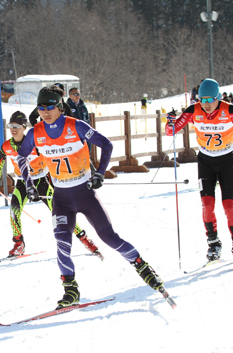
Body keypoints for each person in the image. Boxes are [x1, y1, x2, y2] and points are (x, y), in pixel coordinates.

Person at [16, 87, 166, 309]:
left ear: (59, 107)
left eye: (50, 107)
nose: (45, 112)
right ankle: (71, 290)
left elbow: (106, 144)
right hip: (61, 197)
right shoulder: (35, 133)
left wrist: (100, 172)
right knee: (62, 242)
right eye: (41, 108)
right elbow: (21, 156)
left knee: (109, 238)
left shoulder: (75, 125)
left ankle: (142, 266)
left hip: (84, 193)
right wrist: (28, 184)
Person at [166, 79, 233, 269]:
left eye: (210, 99)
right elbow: (171, 132)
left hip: (226, 161)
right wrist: (170, 122)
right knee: (207, 205)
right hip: (205, 162)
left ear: (218, 97)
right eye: (202, 99)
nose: (206, 103)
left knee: (229, 206)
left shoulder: (231, 110)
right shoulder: (194, 110)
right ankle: (213, 243)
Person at [0, 111, 103, 259]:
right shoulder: (7, 146)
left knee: (62, 213)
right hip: (23, 182)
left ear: (24, 127)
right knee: (14, 211)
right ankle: (19, 243)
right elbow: (0, 161)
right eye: (11, 126)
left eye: (17, 126)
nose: (13, 129)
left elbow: (56, 155)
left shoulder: (34, 142)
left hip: (41, 181)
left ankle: (84, 238)